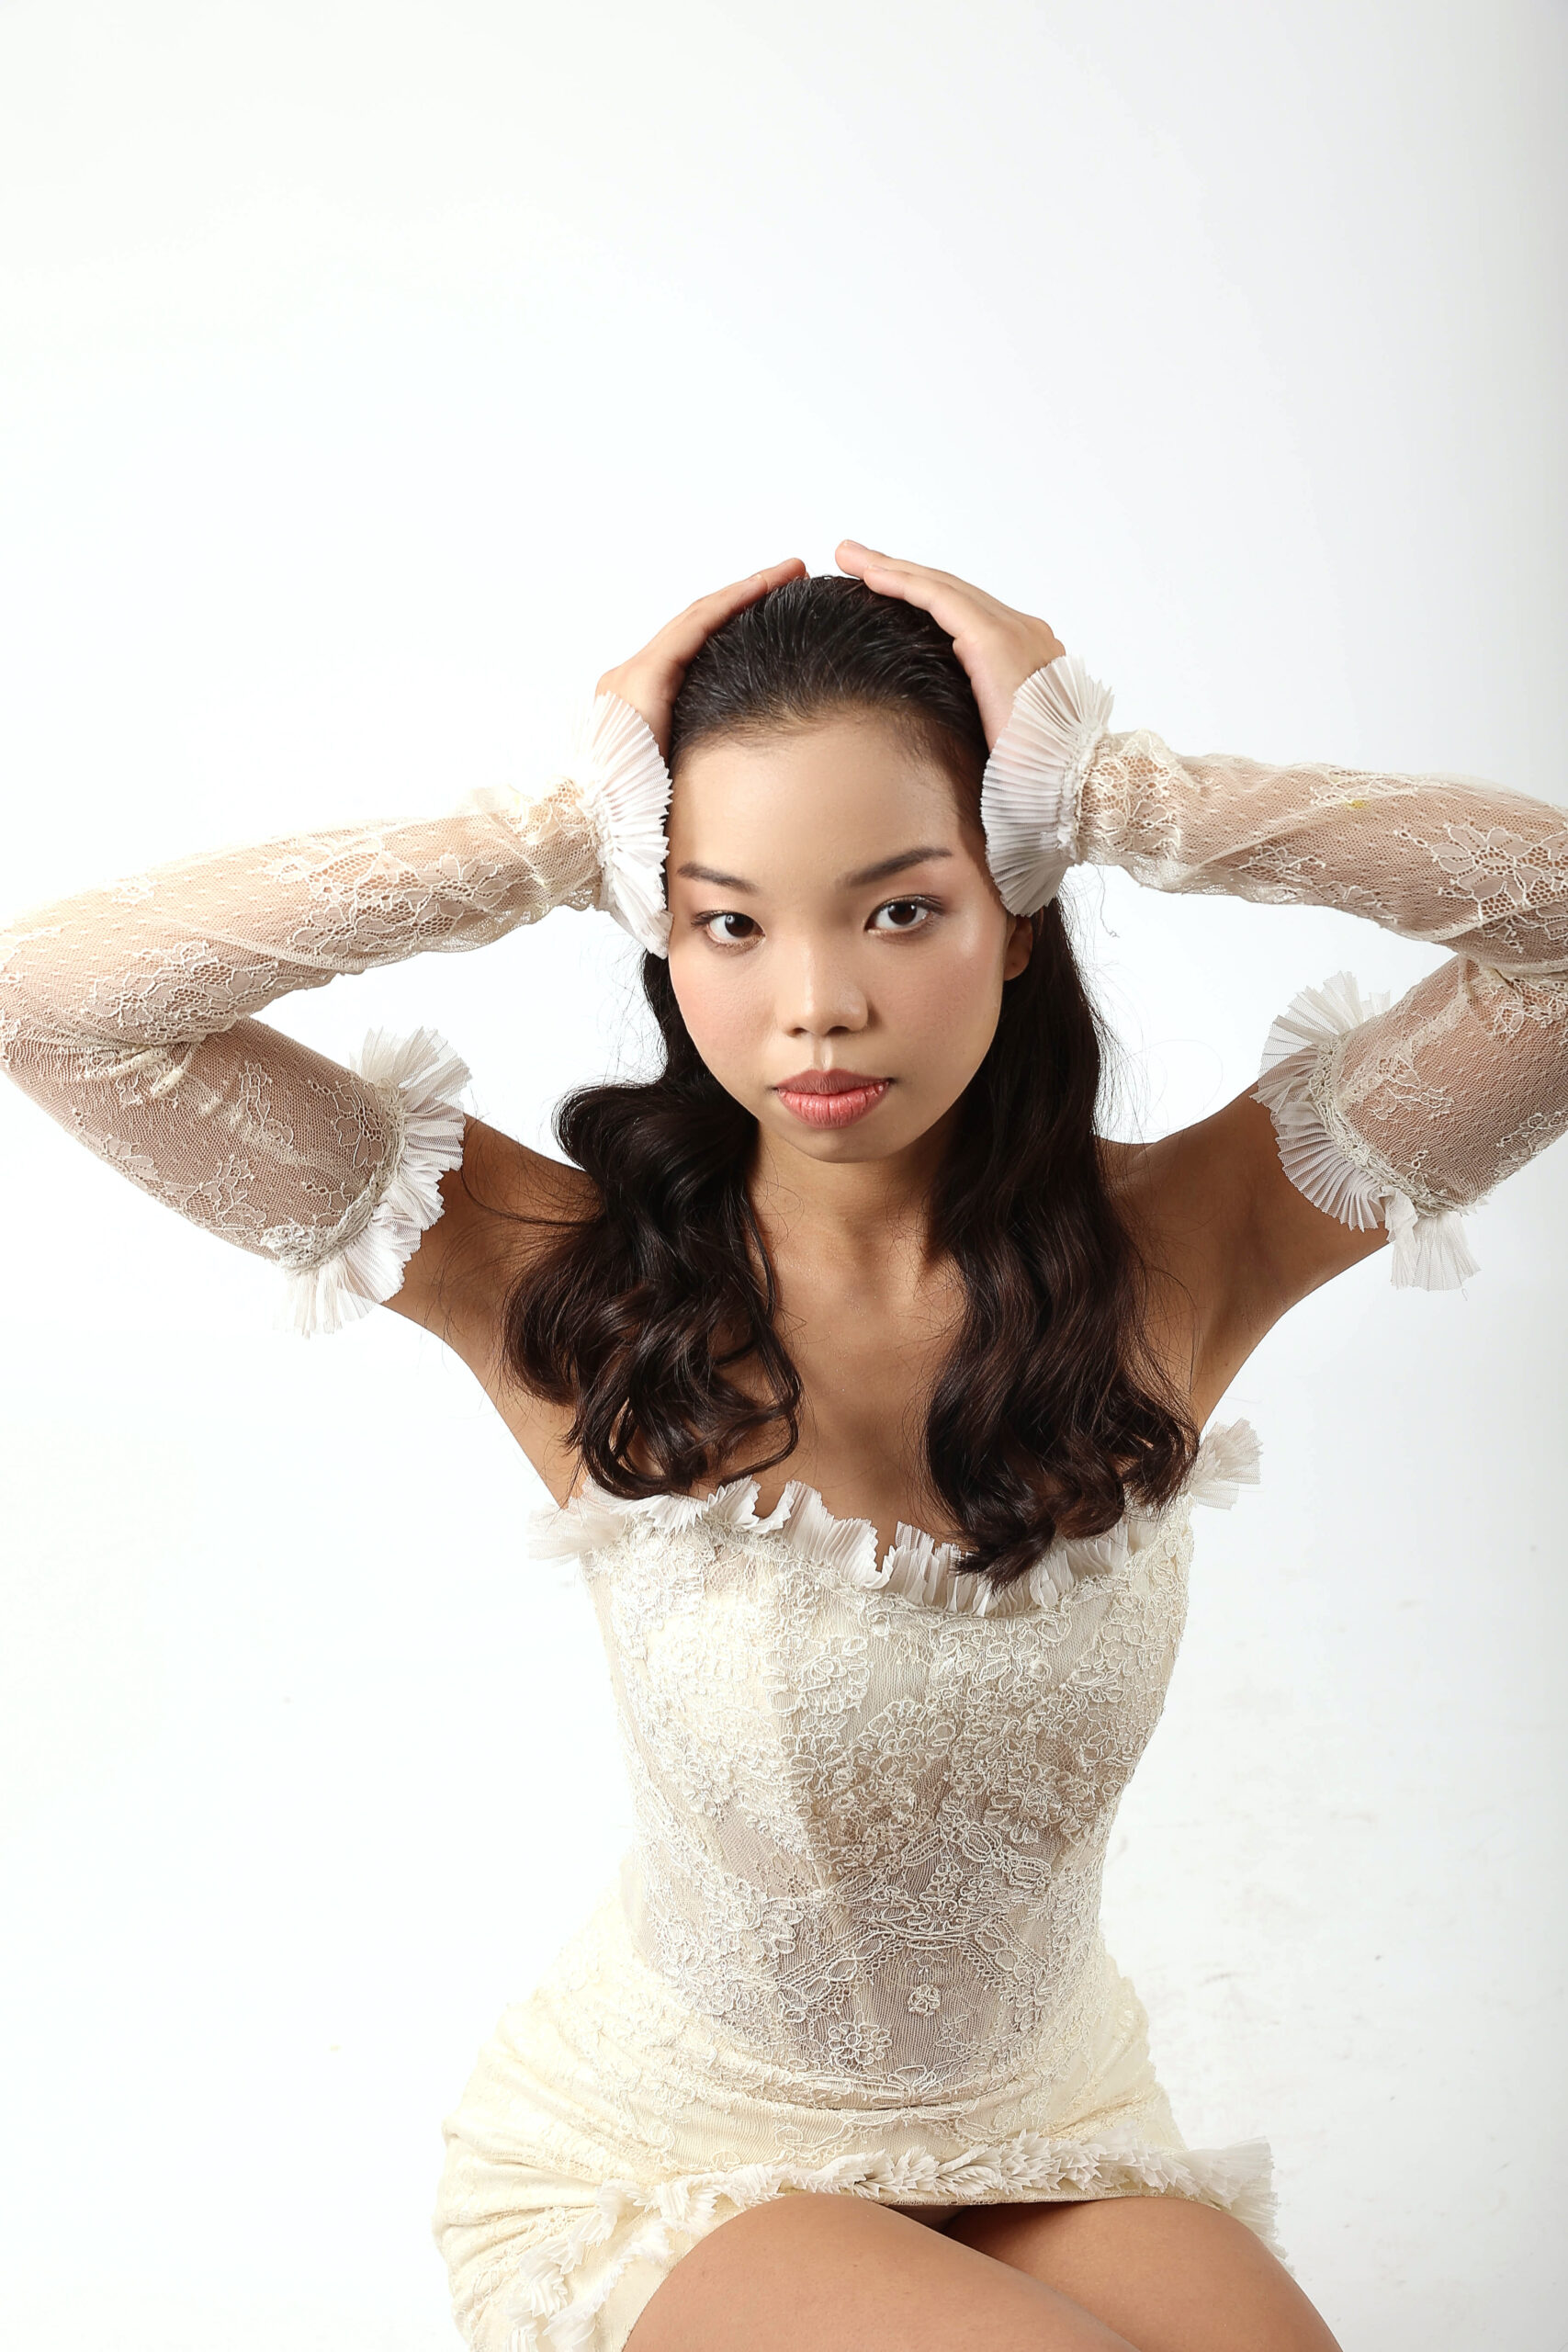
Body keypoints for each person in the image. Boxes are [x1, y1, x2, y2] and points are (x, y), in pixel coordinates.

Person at [3, 544, 1564, 2352]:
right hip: (667, 2165)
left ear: (1018, 908)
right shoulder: (553, 1277)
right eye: (730, 923)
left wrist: (1124, 796)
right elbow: (55, 1004)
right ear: (659, 932)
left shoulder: (1192, 1241)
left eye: (898, 909)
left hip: (1047, 2122)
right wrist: (538, 837)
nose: (814, 1002)